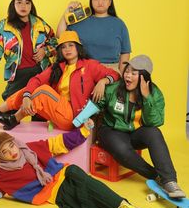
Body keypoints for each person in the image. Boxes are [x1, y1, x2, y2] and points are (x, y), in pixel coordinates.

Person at [0, 120, 179, 208]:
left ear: (15, 143)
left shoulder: (30, 149)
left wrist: (84, 130)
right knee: (96, 205)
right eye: (5, 152)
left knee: (95, 191)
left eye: (11, 146)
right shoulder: (2, 175)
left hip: (67, 174)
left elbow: (59, 143)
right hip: (58, 195)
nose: (12, 152)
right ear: (0, 156)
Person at [73, 55, 186, 199]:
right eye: (127, 71)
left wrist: (147, 98)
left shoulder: (154, 94)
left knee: (154, 133)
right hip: (111, 131)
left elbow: (155, 122)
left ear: (144, 77)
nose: (128, 75)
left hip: (134, 134)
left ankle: (170, 181)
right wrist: (78, 120)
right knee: (121, 149)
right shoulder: (113, 89)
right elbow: (96, 104)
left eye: (133, 73)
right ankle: (157, 176)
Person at [0, 31, 120, 130]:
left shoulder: (89, 65)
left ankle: (14, 118)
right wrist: (27, 96)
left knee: (43, 90)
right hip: (58, 111)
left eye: (71, 46)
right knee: (30, 88)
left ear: (78, 48)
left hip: (74, 118)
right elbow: (36, 79)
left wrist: (103, 81)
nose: (67, 49)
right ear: (60, 51)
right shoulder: (58, 67)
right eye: (63, 47)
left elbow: (114, 74)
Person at [0, 0, 57, 100]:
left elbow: (56, 44)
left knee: (40, 109)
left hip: (40, 72)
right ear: (13, 4)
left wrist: (45, 51)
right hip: (18, 74)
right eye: (19, 2)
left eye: (27, 3)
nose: (24, 6)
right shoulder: (3, 27)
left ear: (31, 6)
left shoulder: (40, 24)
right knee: (10, 109)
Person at [56, 0, 131, 73]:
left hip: (111, 70)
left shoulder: (119, 24)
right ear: (91, 1)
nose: (100, 2)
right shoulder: (81, 21)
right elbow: (60, 35)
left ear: (110, 2)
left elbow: (125, 52)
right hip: (85, 70)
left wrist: (121, 74)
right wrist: (67, 11)